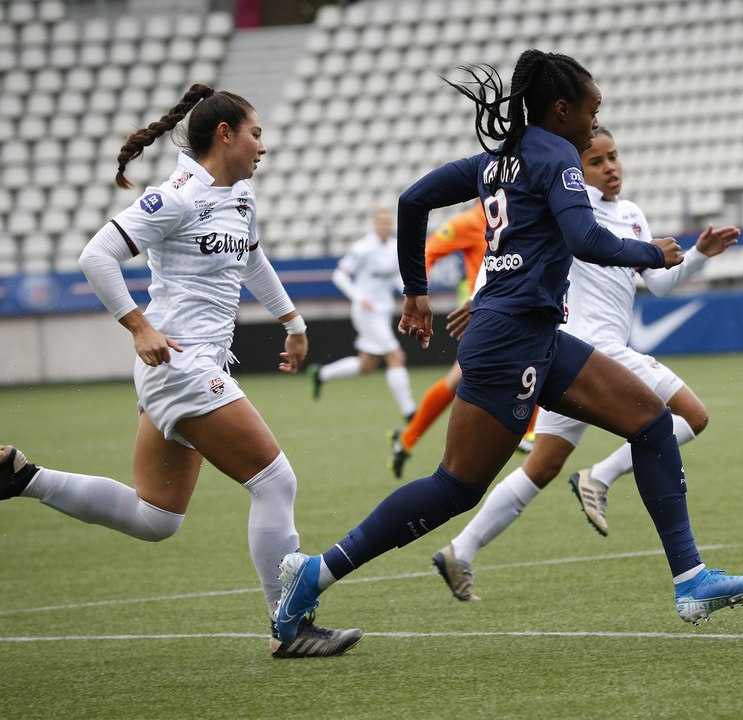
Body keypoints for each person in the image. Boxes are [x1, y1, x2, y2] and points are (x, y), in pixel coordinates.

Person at [273, 50, 743, 647]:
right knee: (456, 486)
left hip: (532, 333)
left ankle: (691, 581)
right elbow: (585, 239)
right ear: (563, 111)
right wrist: (653, 253)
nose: (595, 124)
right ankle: (314, 573)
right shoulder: (556, 153)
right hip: (510, 341)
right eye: (592, 112)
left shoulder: (496, 161)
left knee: (652, 422)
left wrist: (417, 294)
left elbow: (411, 201)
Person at [0, 84, 359, 659]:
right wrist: (139, 326)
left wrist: (292, 321)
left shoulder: (240, 194)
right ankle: (290, 625)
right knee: (275, 481)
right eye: (256, 133)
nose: (263, 146)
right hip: (181, 364)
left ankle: (22, 478)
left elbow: (253, 256)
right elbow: (96, 256)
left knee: (156, 517)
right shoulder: (176, 196)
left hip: (189, 368)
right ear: (226, 135)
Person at [432, 126, 732, 600]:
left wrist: (697, 255)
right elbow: (509, 248)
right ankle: (601, 476)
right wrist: (483, 300)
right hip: (595, 353)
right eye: (597, 161)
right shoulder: (567, 206)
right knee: (691, 416)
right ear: (576, 169)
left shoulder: (632, 213)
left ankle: (460, 550)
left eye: (614, 157)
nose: (610, 167)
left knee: (542, 468)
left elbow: (657, 284)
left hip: (566, 360)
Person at [389, 203, 535, 478]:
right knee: (533, 357)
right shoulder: (472, 220)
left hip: (514, 306)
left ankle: (406, 439)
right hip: (486, 312)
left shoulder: (521, 211)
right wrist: (418, 290)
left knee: (458, 379)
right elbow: (429, 250)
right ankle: (528, 431)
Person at [306, 209, 417, 423]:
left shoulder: (394, 247)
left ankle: (321, 373)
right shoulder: (363, 248)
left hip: (383, 311)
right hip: (366, 312)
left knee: (367, 365)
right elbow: (339, 275)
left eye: (388, 223)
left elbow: (395, 277)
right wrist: (358, 297)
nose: (386, 226)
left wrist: (409, 293)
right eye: (382, 223)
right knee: (396, 356)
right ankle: (410, 412)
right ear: (375, 224)